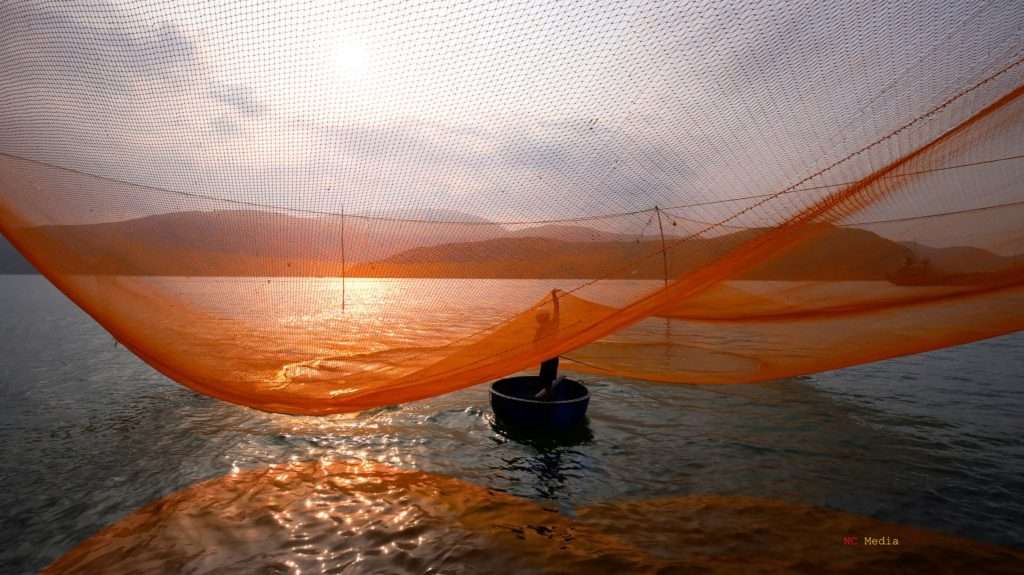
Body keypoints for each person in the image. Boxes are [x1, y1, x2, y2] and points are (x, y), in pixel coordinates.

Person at [534, 289, 561, 400]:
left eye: (539, 317)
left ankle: (548, 397)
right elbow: (535, 342)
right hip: (549, 355)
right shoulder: (550, 325)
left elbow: (557, 309)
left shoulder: (551, 325)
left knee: (546, 378)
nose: (538, 319)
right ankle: (548, 395)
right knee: (547, 377)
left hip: (549, 355)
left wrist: (554, 296)